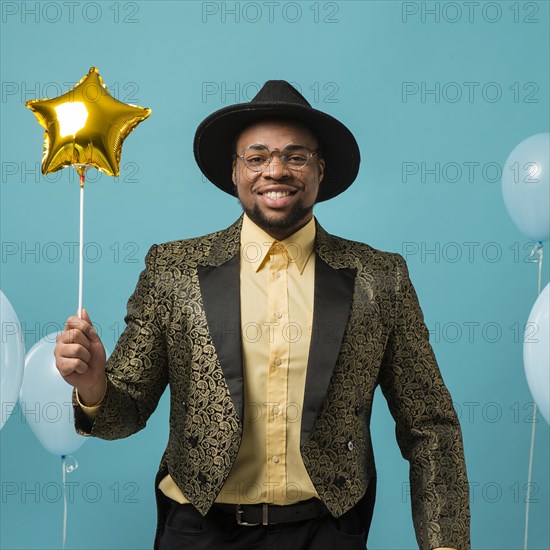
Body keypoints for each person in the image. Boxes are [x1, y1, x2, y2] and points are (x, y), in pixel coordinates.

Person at [55, 80, 470, 550]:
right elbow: (123, 414)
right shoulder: (173, 271)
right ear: (234, 171)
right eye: (256, 157)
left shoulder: (380, 278)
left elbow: (430, 424)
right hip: (199, 531)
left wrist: (446, 543)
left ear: (320, 169)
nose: (276, 170)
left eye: (296, 156)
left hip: (327, 532)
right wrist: (92, 387)